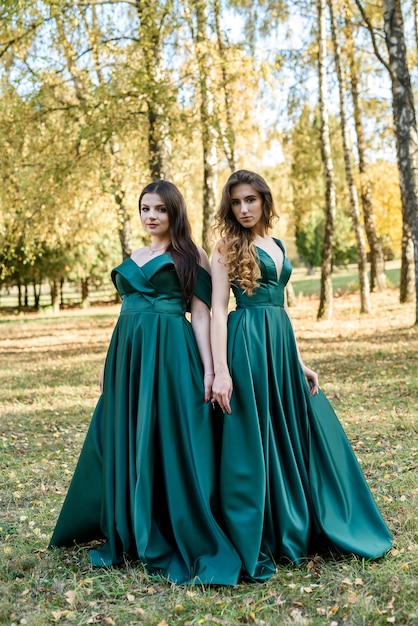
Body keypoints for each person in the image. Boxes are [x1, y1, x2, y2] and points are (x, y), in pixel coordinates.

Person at [49, 179, 241, 584]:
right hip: (128, 354)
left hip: (171, 351)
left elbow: (202, 315)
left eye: (159, 210)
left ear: (174, 213)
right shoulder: (135, 254)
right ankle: (130, 523)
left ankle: (172, 525)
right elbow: (126, 314)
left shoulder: (191, 255)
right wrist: (109, 361)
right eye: (145, 209)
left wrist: (209, 369)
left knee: (170, 436)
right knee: (129, 434)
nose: (151, 216)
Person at [210, 169, 392, 582]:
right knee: (259, 436)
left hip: (279, 344)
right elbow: (219, 310)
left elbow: (281, 309)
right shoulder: (224, 248)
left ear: (264, 201)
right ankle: (270, 528)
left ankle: (302, 519)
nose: (243, 209)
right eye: (236, 202)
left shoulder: (276, 244)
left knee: (290, 431)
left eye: (250, 200)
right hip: (248, 345)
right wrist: (221, 371)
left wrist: (298, 360)